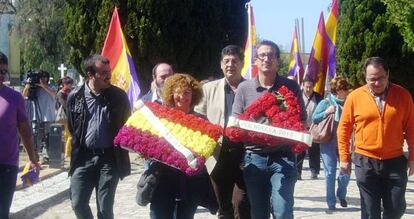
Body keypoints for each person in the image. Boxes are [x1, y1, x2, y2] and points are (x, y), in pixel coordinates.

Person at [232, 40, 306, 219]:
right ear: (256, 61)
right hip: (254, 158)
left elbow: (301, 120)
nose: (267, 59)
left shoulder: (290, 87)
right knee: (258, 213)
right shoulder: (244, 88)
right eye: (262, 55)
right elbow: (235, 123)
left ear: (277, 60)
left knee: (283, 211)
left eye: (271, 55)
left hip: (284, 157)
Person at [337, 57, 414, 219]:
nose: (377, 83)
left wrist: (413, 157)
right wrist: (344, 158)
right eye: (372, 79)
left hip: (394, 161)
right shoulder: (355, 97)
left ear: (388, 74)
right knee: (370, 212)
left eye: (381, 78)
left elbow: (412, 128)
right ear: (365, 78)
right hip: (366, 161)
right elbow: (343, 129)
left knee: (396, 208)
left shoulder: (403, 96)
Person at [66, 55, 131, 219]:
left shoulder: (119, 97)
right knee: (78, 203)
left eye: (109, 71)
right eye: (103, 72)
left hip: (109, 158)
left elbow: (127, 126)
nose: (108, 76)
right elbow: (72, 126)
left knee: (104, 209)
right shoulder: (75, 96)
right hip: (83, 157)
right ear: (90, 74)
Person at [150, 73, 217, 219]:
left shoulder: (201, 121)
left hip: (190, 182)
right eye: (177, 92)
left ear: (194, 95)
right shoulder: (161, 118)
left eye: (186, 92)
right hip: (163, 178)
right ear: (170, 94)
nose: (182, 96)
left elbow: (206, 150)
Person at [195, 45, 250, 219]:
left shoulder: (252, 89)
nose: (230, 64)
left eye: (235, 61)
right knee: (224, 207)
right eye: (226, 61)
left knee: (242, 204)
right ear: (220, 64)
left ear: (242, 63)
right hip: (218, 156)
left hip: (245, 155)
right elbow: (198, 118)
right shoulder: (208, 89)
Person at [0, 52, 40, 219]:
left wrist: (32, 157)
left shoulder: (15, 98)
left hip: (7, 165)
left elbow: (24, 130)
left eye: (4, 71)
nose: (2, 75)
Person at [312, 76, 350, 210]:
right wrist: (326, 112)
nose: (347, 91)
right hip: (328, 140)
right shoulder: (326, 102)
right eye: (345, 89)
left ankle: (341, 193)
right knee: (330, 172)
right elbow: (314, 118)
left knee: (346, 171)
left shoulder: (348, 103)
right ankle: (331, 202)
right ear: (338, 90)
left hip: (344, 141)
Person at [22, 69, 57, 163]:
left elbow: (55, 94)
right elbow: (23, 97)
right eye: (39, 78)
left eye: (43, 77)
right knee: (35, 137)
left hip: (48, 117)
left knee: (47, 137)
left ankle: (46, 156)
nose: (41, 79)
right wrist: (27, 86)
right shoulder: (34, 89)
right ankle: (34, 156)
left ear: (47, 79)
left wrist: (43, 85)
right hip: (35, 117)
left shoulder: (51, 87)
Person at [296, 77, 323, 180]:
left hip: (314, 127)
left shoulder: (318, 97)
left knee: (314, 150)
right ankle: (298, 172)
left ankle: (314, 171)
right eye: (306, 87)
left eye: (310, 87)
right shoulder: (298, 96)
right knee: (299, 150)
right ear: (303, 86)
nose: (308, 89)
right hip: (301, 126)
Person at [56, 76, 74, 158]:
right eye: (68, 83)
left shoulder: (69, 92)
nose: (70, 85)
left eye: (70, 83)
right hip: (65, 116)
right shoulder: (61, 93)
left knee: (67, 135)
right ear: (64, 84)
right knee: (70, 135)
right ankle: (68, 154)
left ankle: (67, 153)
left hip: (67, 116)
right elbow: (64, 105)